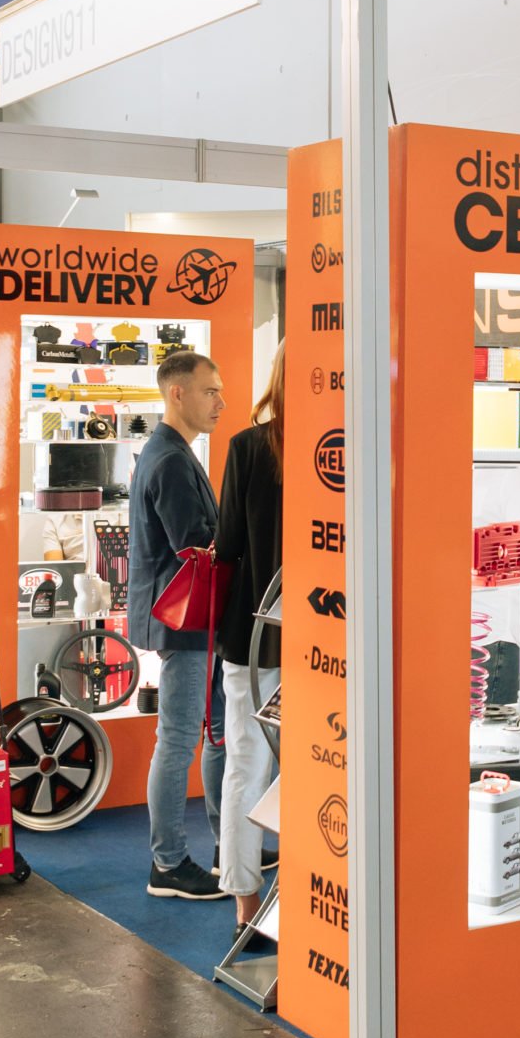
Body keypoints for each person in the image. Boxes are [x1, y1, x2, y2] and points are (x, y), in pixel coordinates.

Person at [127, 348, 228, 900]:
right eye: (210, 392)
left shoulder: (173, 452)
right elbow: (196, 544)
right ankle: (167, 864)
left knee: (215, 733)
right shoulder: (168, 458)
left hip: (196, 621)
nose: (220, 403)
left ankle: (229, 844)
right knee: (180, 739)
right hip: (184, 622)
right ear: (177, 393)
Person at [213, 342, 284, 929]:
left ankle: (244, 903)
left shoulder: (247, 447)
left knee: (246, 762)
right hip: (332, 638)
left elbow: (228, 544)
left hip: (255, 636)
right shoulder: (353, 447)